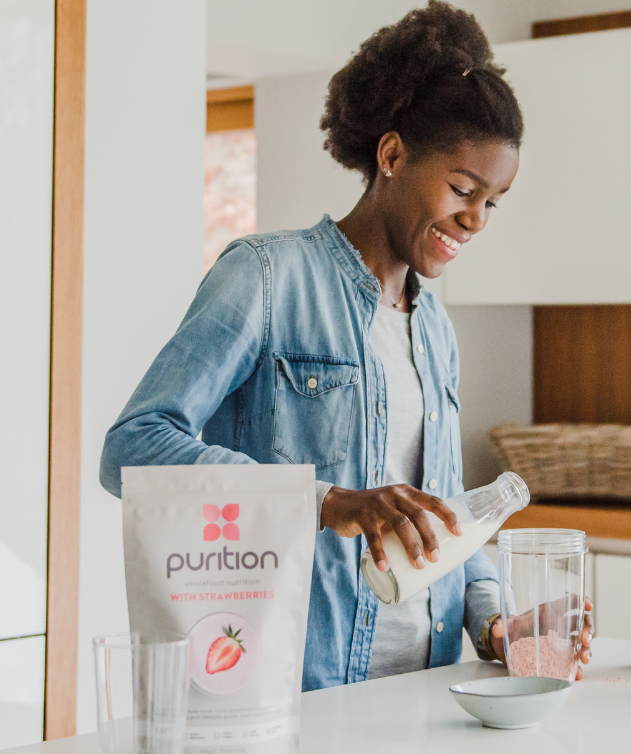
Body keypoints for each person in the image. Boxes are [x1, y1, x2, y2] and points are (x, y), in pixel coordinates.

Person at [100, 1, 592, 690]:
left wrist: (493, 623)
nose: (476, 219)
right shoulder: (267, 276)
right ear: (392, 155)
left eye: (493, 201)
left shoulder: (434, 330)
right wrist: (331, 501)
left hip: (421, 693)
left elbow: (446, 517)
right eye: (462, 189)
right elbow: (132, 450)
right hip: (291, 690)